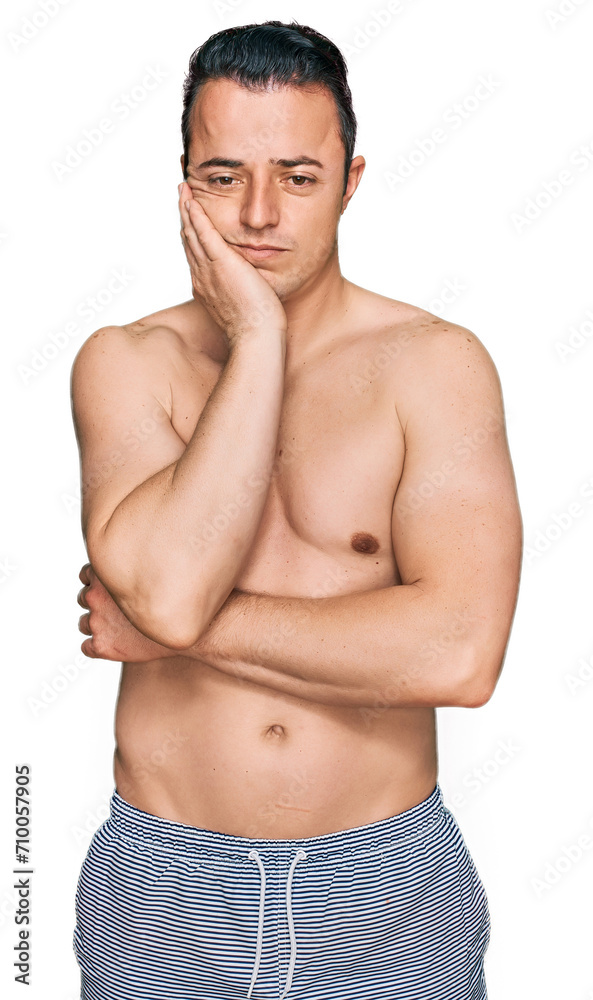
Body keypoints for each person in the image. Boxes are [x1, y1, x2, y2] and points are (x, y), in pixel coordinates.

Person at [71, 19, 522, 1000]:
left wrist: (171, 633)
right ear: (185, 183)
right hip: (163, 889)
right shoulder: (128, 363)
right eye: (224, 175)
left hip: (387, 888)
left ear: (350, 182)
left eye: (299, 177)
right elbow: (171, 592)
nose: (259, 214)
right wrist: (259, 338)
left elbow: (458, 656)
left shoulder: (433, 368)